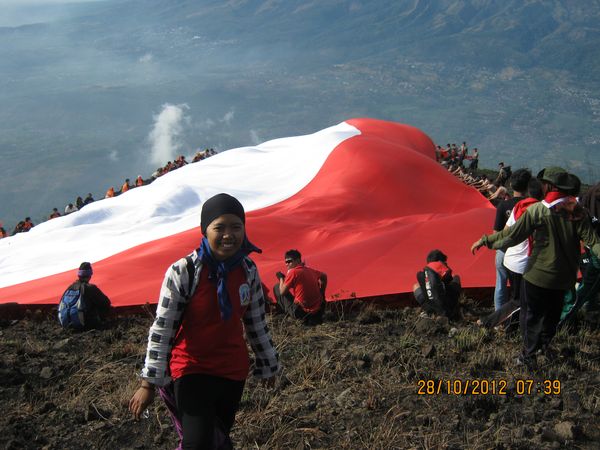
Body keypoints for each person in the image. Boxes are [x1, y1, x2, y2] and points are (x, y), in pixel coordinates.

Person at [129, 193, 279, 449]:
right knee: (197, 443)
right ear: (204, 230)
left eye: (236, 227)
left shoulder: (248, 270)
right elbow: (162, 328)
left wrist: (268, 364)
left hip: (232, 372)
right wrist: (148, 383)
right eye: (219, 227)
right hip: (190, 369)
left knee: (217, 438)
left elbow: (256, 323)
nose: (228, 234)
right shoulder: (184, 271)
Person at [471, 167, 600, 367]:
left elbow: (511, 236)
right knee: (552, 315)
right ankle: (544, 347)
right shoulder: (577, 211)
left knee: (531, 316)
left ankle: (528, 356)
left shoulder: (537, 210)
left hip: (536, 276)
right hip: (563, 278)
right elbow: (594, 242)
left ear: (549, 186)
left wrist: (486, 241)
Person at [491, 169, 531, 311]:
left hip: (503, 251)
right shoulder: (532, 206)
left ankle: (498, 318)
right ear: (528, 186)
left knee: (500, 285)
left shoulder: (503, 205)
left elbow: (496, 233)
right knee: (522, 290)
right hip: (524, 254)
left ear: (511, 184)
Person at [273, 249, 327, 325]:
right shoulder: (310, 270)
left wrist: (281, 278)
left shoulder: (293, 272)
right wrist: (322, 292)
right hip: (318, 311)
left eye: (289, 261)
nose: (287, 264)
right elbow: (324, 276)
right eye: (286, 262)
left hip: (301, 313)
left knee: (277, 287)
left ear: (298, 260)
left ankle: (290, 316)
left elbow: (282, 292)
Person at [60, 262, 111, 329]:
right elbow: (106, 302)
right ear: (90, 275)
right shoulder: (91, 288)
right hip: (86, 325)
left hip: (67, 325)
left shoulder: (70, 288)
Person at [413, 249, 462, 320]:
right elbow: (449, 278)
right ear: (440, 260)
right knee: (456, 277)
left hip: (429, 307)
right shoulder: (439, 265)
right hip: (446, 307)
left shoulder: (421, 273)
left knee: (415, 286)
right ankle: (455, 306)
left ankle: (429, 312)